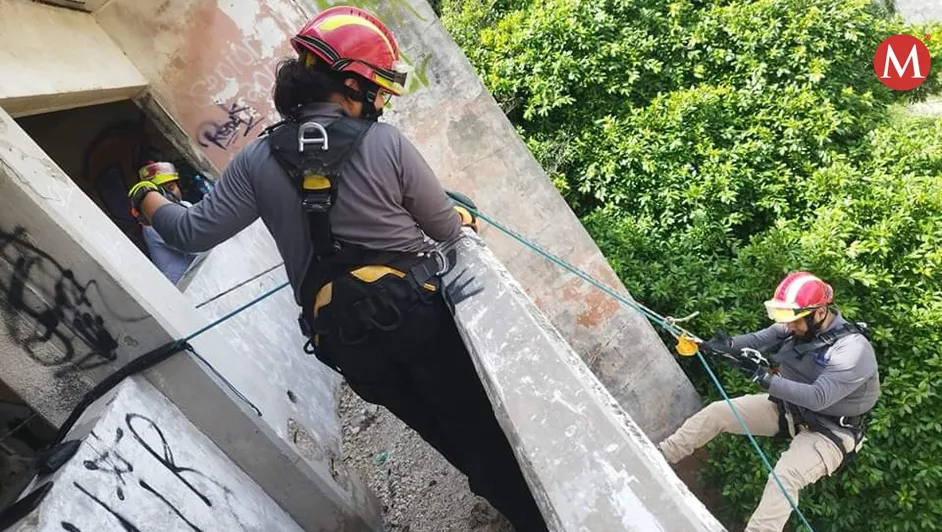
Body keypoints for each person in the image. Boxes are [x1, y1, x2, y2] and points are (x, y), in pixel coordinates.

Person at [127, 6, 548, 531]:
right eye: (377, 90)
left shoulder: (256, 161)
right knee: (483, 433)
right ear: (351, 82)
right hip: (418, 318)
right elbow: (445, 229)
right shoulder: (385, 143)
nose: (379, 104)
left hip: (344, 337)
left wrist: (146, 196)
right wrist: (456, 215)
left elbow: (190, 232)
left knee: (444, 436)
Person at [658, 271, 880, 531]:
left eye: (794, 320)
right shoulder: (796, 326)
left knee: (785, 478)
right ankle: (660, 456)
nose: (789, 325)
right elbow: (758, 339)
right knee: (718, 413)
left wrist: (763, 378)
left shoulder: (852, 350)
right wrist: (721, 345)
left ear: (819, 313)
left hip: (831, 431)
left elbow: (818, 397)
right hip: (790, 410)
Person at [130, 161, 201, 285]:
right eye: (165, 190)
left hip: (202, 272)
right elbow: (199, 245)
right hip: (185, 285)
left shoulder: (184, 205)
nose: (171, 194)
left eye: (172, 187)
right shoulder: (153, 222)